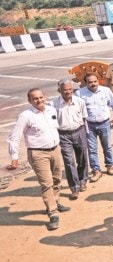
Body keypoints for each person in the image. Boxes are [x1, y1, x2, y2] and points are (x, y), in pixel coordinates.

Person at [7, 88, 71, 230]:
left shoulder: (51, 110)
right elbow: (14, 137)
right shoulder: (26, 116)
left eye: (41, 97)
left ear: (45, 97)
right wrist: (14, 157)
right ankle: (53, 213)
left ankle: (55, 201)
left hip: (54, 150)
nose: (39, 100)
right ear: (30, 101)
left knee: (57, 179)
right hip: (38, 154)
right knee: (46, 183)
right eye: (35, 99)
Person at [76, 73, 113, 182]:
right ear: (85, 83)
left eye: (95, 81)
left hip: (104, 123)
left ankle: (110, 165)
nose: (93, 84)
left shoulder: (106, 91)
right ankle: (96, 170)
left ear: (98, 81)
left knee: (107, 146)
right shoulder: (79, 93)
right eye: (90, 82)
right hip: (89, 125)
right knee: (92, 149)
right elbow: (76, 110)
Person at [51, 79, 89, 200]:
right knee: (69, 161)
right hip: (64, 135)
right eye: (65, 90)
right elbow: (53, 121)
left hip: (79, 131)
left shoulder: (79, 102)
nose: (67, 92)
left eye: (70, 89)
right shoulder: (54, 104)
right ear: (59, 90)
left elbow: (84, 118)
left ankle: (82, 180)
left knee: (82, 158)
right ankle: (74, 187)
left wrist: (84, 133)